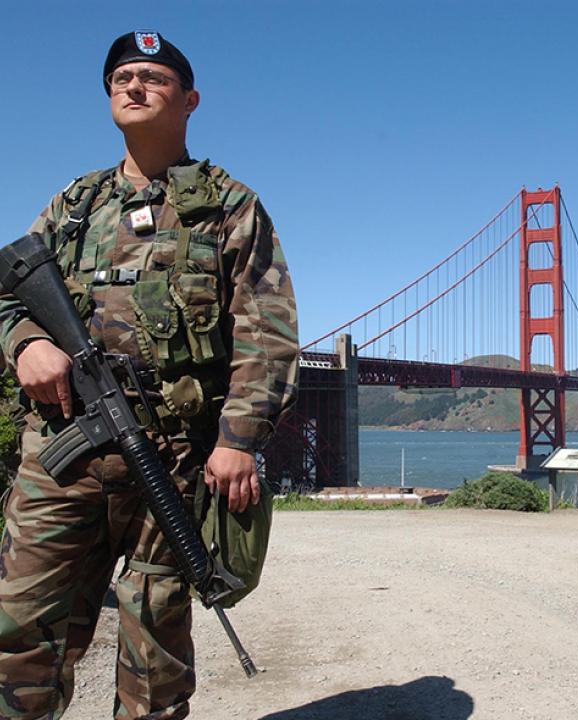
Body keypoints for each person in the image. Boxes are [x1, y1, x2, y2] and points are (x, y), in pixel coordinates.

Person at [0, 30, 298, 719]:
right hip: (61, 454)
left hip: (172, 454)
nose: (133, 87)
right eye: (121, 78)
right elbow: (10, 291)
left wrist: (238, 438)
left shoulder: (228, 207)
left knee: (155, 650)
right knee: (18, 636)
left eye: (153, 79)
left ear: (190, 100)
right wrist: (24, 346)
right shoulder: (74, 205)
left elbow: (268, 331)